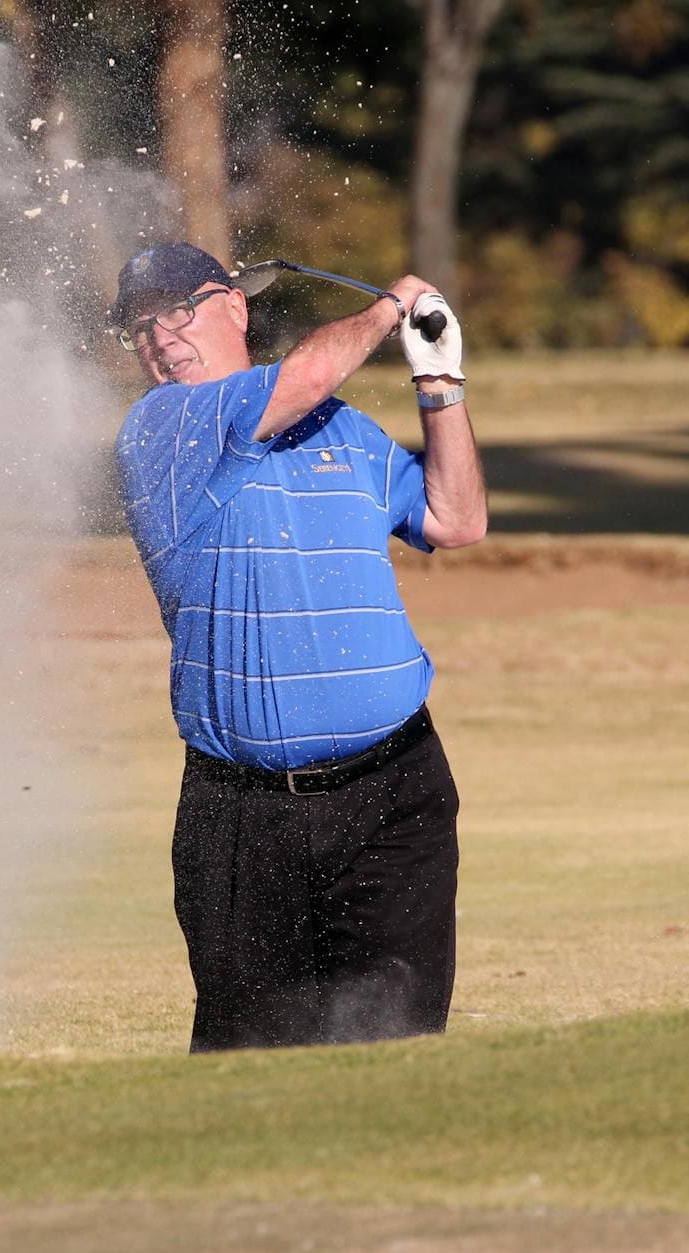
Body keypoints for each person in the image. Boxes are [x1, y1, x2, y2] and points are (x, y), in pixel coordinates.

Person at [109, 241, 489, 1052]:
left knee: (397, 1053)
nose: (160, 336)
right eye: (139, 327)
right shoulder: (163, 431)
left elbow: (457, 520)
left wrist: (440, 386)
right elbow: (307, 374)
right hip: (245, 820)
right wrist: (392, 308)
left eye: (179, 309)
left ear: (237, 306)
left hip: (396, 796)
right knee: (251, 1072)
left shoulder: (342, 432)